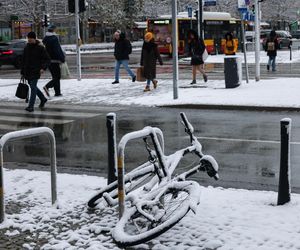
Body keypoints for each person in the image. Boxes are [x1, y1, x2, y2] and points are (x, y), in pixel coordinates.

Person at [21, 31, 50, 112]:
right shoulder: (26, 47)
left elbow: (47, 59)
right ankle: (43, 99)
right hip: (28, 71)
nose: (29, 40)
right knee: (33, 86)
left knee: (33, 88)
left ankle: (31, 106)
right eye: (28, 39)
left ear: (34, 38)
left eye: (31, 39)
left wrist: (43, 68)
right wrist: (22, 71)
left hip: (36, 70)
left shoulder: (40, 48)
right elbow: (24, 60)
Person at [42, 24, 65, 97]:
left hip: (48, 61)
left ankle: (57, 93)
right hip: (55, 60)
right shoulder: (54, 38)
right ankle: (47, 86)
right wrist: (62, 58)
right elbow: (57, 50)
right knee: (57, 77)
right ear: (54, 30)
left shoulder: (45, 39)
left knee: (55, 77)